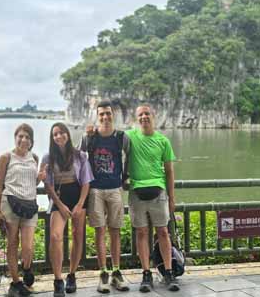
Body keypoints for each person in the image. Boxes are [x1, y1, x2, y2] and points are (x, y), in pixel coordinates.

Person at [126, 104, 179, 292]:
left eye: (147, 113)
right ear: (136, 118)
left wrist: (172, 198)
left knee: (163, 232)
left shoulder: (163, 141)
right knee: (141, 233)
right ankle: (146, 273)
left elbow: (170, 171)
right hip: (136, 192)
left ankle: (169, 272)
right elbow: (109, 140)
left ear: (153, 116)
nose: (144, 117)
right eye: (140, 114)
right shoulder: (130, 137)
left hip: (159, 192)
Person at [79, 100, 130, 293]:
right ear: (97, 116)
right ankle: (103, 274)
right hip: (95, 190)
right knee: (99, 231)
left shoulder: (121, 137)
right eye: (102, 114)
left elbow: (130, 157)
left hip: (115, 188)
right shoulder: (89, 137)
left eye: (108, 114)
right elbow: (77, 157)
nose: (105, 117)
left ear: (113, 114)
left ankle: (117, 272)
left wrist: (126, 177)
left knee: (115, 231)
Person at [0, 123, 46, 297]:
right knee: (12, 244)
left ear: (31, 141)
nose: (23, 140)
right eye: (20, 136)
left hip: (30, 204)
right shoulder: (6, 157)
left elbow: (32, 183)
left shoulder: (35, 158)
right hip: (10, 203)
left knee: (28, 246)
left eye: (27, 137)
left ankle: (26, 267)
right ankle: (15, 282)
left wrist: (39, 178)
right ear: (15, 138)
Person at [42, 123, 93, 297]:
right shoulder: (48, 157)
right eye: (55, 134)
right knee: (55, 236)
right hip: (59, 198)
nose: (59, 136)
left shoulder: (80, 156)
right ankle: (57, 280)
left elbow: (86, 182)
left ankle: (72, 275)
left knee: (78, 235)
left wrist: (80, 204)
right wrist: (60, 204)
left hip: (78, 196)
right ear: (52, 138)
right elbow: (47, 184)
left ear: (67, 135)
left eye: (61, 133)